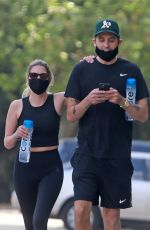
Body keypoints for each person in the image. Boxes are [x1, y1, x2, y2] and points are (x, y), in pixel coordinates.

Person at [64, 19, 149, 230]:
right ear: (94, 41)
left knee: (111, 217)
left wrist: (122, 101)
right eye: (101, 40)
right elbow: (71, 115)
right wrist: (88, 101)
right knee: (81, 209)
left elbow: (143, 115)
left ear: (119, 41)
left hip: (117, 157)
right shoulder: (82, 69)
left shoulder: (132, 70)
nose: (106, 45)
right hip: (87, 154)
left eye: (111, 40)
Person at [4, 59, 65, 230]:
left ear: (49, 79)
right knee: (30, 224)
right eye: (34, 75)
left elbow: (80, 91)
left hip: (51, 167)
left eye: (42, 75)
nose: (38, 78)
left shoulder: (58, 99)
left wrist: (88, 63)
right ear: (28, 78)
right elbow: (7, 143)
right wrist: (17, 134)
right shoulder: (17, 106)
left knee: (39, 221)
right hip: (24, 167)